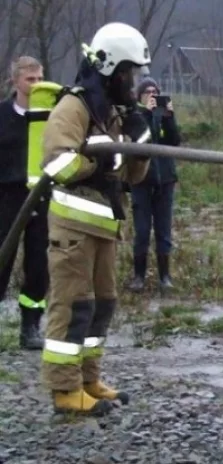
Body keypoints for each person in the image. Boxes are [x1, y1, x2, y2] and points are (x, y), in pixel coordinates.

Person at [40, 22, 152, 416]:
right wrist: (96, 161)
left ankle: (89, 378)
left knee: (103, 304)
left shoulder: (112, 114)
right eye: (129, 73)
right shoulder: (75, 106)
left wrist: (140, 147)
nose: (132, 81)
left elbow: (130, 178)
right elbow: (56, 162)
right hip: (72, 227)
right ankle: (65, 390)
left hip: (104, 227)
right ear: (110, 69)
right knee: (73, 306)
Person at [0, 56, 47, 349]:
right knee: (2, 260)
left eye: (40, 79)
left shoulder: (49, 116)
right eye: (31, 79)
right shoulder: (3, 115)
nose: (36, 84)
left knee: (39, 265)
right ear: (15, 81)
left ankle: (30, 326)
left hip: (41, 197)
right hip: (7, 197)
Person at [128, 76, 180, 292]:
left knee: (163, 230)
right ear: (140, 97)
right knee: (141, 230)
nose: (152, 96)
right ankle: (138, 276)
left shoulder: (163, 116)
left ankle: (164, 275)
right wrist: (148, 114)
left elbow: (174, 141)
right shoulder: (136, 116)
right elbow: (143, 140)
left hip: (165, 179)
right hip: (142, 180)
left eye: (155, 93)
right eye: (147, 93)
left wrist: (169, 117)